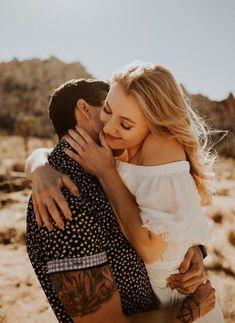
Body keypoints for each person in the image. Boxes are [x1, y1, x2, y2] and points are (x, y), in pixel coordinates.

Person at [26, 78, 215, 323]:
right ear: (84, 109)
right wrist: (192, 311)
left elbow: (158, 216)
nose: (118, 122)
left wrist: (192, 250)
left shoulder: (109, 169)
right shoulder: (62, 201)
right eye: (108, 109)